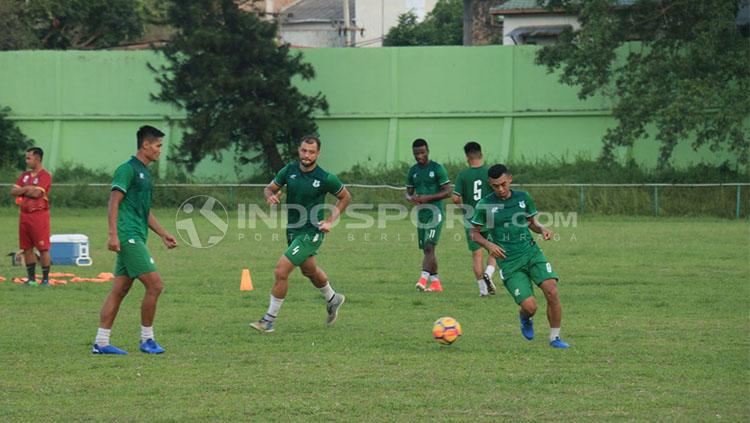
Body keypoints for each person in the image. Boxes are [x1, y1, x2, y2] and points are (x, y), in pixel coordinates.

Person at [250, 135, 352, 333]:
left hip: (312, 231)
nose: (307, 155)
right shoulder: (289, 170)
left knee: (281, 271)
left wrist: (330, 220)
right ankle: (333, 299)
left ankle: (268, 320)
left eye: (311, 152)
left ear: (318, 154)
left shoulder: (325, 177)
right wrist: (270, 196)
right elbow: (269, 188)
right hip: (293, 229)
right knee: (309, 271)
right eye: (304, 151)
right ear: (299, 150)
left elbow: (345, 197)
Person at [92, 125, 178, 355]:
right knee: (155, 285)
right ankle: (147, 339)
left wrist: (163, 233)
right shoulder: (127, 169)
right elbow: (114, 202)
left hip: (136, 235)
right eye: (158, 145)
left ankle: (101, 343)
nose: (160, 150)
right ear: (146, 145)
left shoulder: (145, 173)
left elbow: (143, 210)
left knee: (119, 290)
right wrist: (113, 234)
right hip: (128, 236)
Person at [469, 164, 570, 349]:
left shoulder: (523, 198)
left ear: (510, 179)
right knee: (530, 307)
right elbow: (474, 233)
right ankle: (525, 317)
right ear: (490, 184)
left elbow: (531, 223)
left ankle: (555, 338)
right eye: (495, 186)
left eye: (503, 184)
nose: (500, 189)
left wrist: (542, 229)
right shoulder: (485, 204)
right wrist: (489, 245)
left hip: (531, 252)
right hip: (509, 262)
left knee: (552, 291)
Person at [451, 142, 497, 297]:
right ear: (481, 154)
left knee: (477, 256)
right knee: (494, 249)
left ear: (467, 157)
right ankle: (489, 273)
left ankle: (483, 291)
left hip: (471, 219)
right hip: (489, 217)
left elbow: (455, 198)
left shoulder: (463, 175)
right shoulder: (489, 173)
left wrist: (465, 208)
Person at [405, 138, 451, 292]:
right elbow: (408, 192)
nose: (419, 156)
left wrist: (427, 198)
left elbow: (448, 191)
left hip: (435, 212)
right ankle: (436, 283)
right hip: (421, 214)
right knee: (427, 250)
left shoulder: (437, 168)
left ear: (428, 151)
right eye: (416, 153)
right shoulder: (413, 171)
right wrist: (411, 198)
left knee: (430, 245)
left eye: (422, 152)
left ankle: (423, 280)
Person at [11, 147, 52, 286]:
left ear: (38, 159)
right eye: (26, 157)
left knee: (42, 248)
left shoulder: (45, 175)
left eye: (29, 158)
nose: (26, 160)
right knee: (26, 248)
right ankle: (32, 279)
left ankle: (45, 279)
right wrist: (27, 189)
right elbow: (13, 191)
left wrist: (23, 190)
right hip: (24, 216)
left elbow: (37, 194)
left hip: (39, 215)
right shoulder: (25, 175)